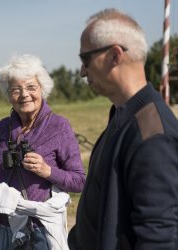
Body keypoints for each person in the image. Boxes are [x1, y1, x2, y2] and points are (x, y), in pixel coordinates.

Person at [68, 8, 178, 250]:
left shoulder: (152, 133)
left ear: (115, 55)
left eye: (85, 59)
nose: (82, 71)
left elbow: (158, 238)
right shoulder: (124, 113)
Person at [0, 54, 86, 250]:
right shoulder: (3, 127)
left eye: (31, 87)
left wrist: (47, 171)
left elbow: (80, 181)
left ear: (42, 89)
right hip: (0, 230)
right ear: (8, 94)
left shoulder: (58, 126)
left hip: (38, 232)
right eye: (16, 89)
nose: (24, 94)